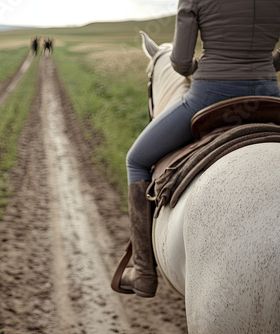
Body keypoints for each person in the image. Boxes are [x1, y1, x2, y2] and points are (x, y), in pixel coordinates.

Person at [113, 0, 280, 298]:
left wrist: (198, 67)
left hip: (208, 96)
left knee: (136, 161)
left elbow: (178, 62)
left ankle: (143, 272)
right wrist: (268, 63)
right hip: (268, 92)